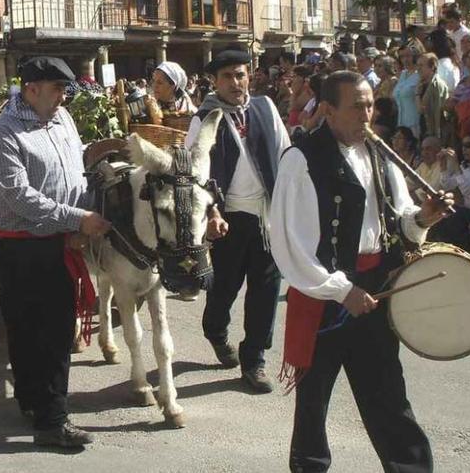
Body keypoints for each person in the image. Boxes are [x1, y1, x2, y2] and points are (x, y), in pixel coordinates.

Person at [271, 70, 453, 472]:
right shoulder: (301, 160)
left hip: (376, 289)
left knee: (387, 393)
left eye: (370, 104)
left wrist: (423, 217)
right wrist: (341, 290)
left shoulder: (377, 151)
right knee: (313, 401)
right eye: (356, 106)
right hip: (325, 296)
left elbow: (399, 220)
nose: (366, 115)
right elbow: (291, 245)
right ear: (327, 110)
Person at [0, 56, 110, 448]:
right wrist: (76, 219)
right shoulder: (3, 130)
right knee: (33, 328)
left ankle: (37, 403)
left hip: (57, 238)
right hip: (21, 244)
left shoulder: (62, 119)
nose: (63, 97)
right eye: (57, 89)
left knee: (52, 329)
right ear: (32, 88)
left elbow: (74, 163)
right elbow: (18, 195)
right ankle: (52, 422)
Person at [184, 48, 291, 393]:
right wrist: (210, 212)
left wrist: (288, 206)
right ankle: (215, 330)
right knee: (225, 287)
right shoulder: (204, 118)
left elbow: (284, 153)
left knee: (266, 290)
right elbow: (194, 172)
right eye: (228, 76)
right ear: (214, 81)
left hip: (265, 216)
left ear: (250, 76)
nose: (236, 82)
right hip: (227, 218)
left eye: (241, 74)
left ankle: (254, 359)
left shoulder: (265, 108)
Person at [416, 53, 450, 139]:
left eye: (421, 65)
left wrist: (437, 136)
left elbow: (438, 112)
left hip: (433, 132)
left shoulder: (437, 85)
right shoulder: (421, 84)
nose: (418, 69)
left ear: (432, 67)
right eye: (417, 65)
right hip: (424, 128)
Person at [393, 45, 422, 138]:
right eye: (402, 57)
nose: (405, 59)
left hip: (415, 123)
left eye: (408, 56)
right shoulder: (403, 74)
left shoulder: (419, 75)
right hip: (401, 123)